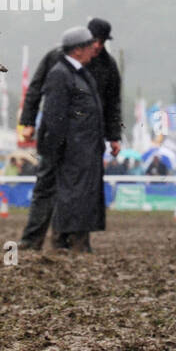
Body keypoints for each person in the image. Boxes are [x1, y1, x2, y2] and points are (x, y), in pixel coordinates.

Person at [18, 17, 121, 249]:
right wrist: (28, 121)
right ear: (82, 44)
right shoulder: (57, 61)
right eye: (94, 41)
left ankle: (72, 240)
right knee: (48, 188)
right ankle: (32, 239)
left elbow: (112, 102)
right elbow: (36, 89)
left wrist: (114, 135)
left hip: (86, 141)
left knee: (81, 191)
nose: (97, 47)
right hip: (62, 140)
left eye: (102, 42)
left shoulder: (107, 65)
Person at [35, 26, 106, 252]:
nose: (92, 50)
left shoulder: (79, 74)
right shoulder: (60, 74)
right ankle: (63, 242)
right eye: (88, 46)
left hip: (84, 149)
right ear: (77, 51)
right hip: (71, 150)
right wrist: (58, 149)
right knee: (71, 197)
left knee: (81, 197)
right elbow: (54, 117)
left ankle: (78, 242)